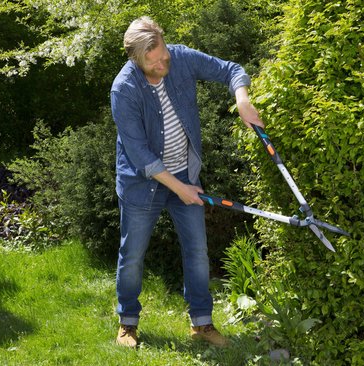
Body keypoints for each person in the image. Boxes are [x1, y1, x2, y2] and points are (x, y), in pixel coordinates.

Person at [110, 16, 264, 349]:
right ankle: (128, 323)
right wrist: (182, 190)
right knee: (132, 255)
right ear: (135, 60)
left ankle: (202, 324)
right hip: (141, 184)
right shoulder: (124, 89)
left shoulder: (179, 57)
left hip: (185, 175)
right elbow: (141, 156)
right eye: (152, 62)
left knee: (196, 252)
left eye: (163, 55)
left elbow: (230, 70)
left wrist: (242, 100)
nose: (162, 63)